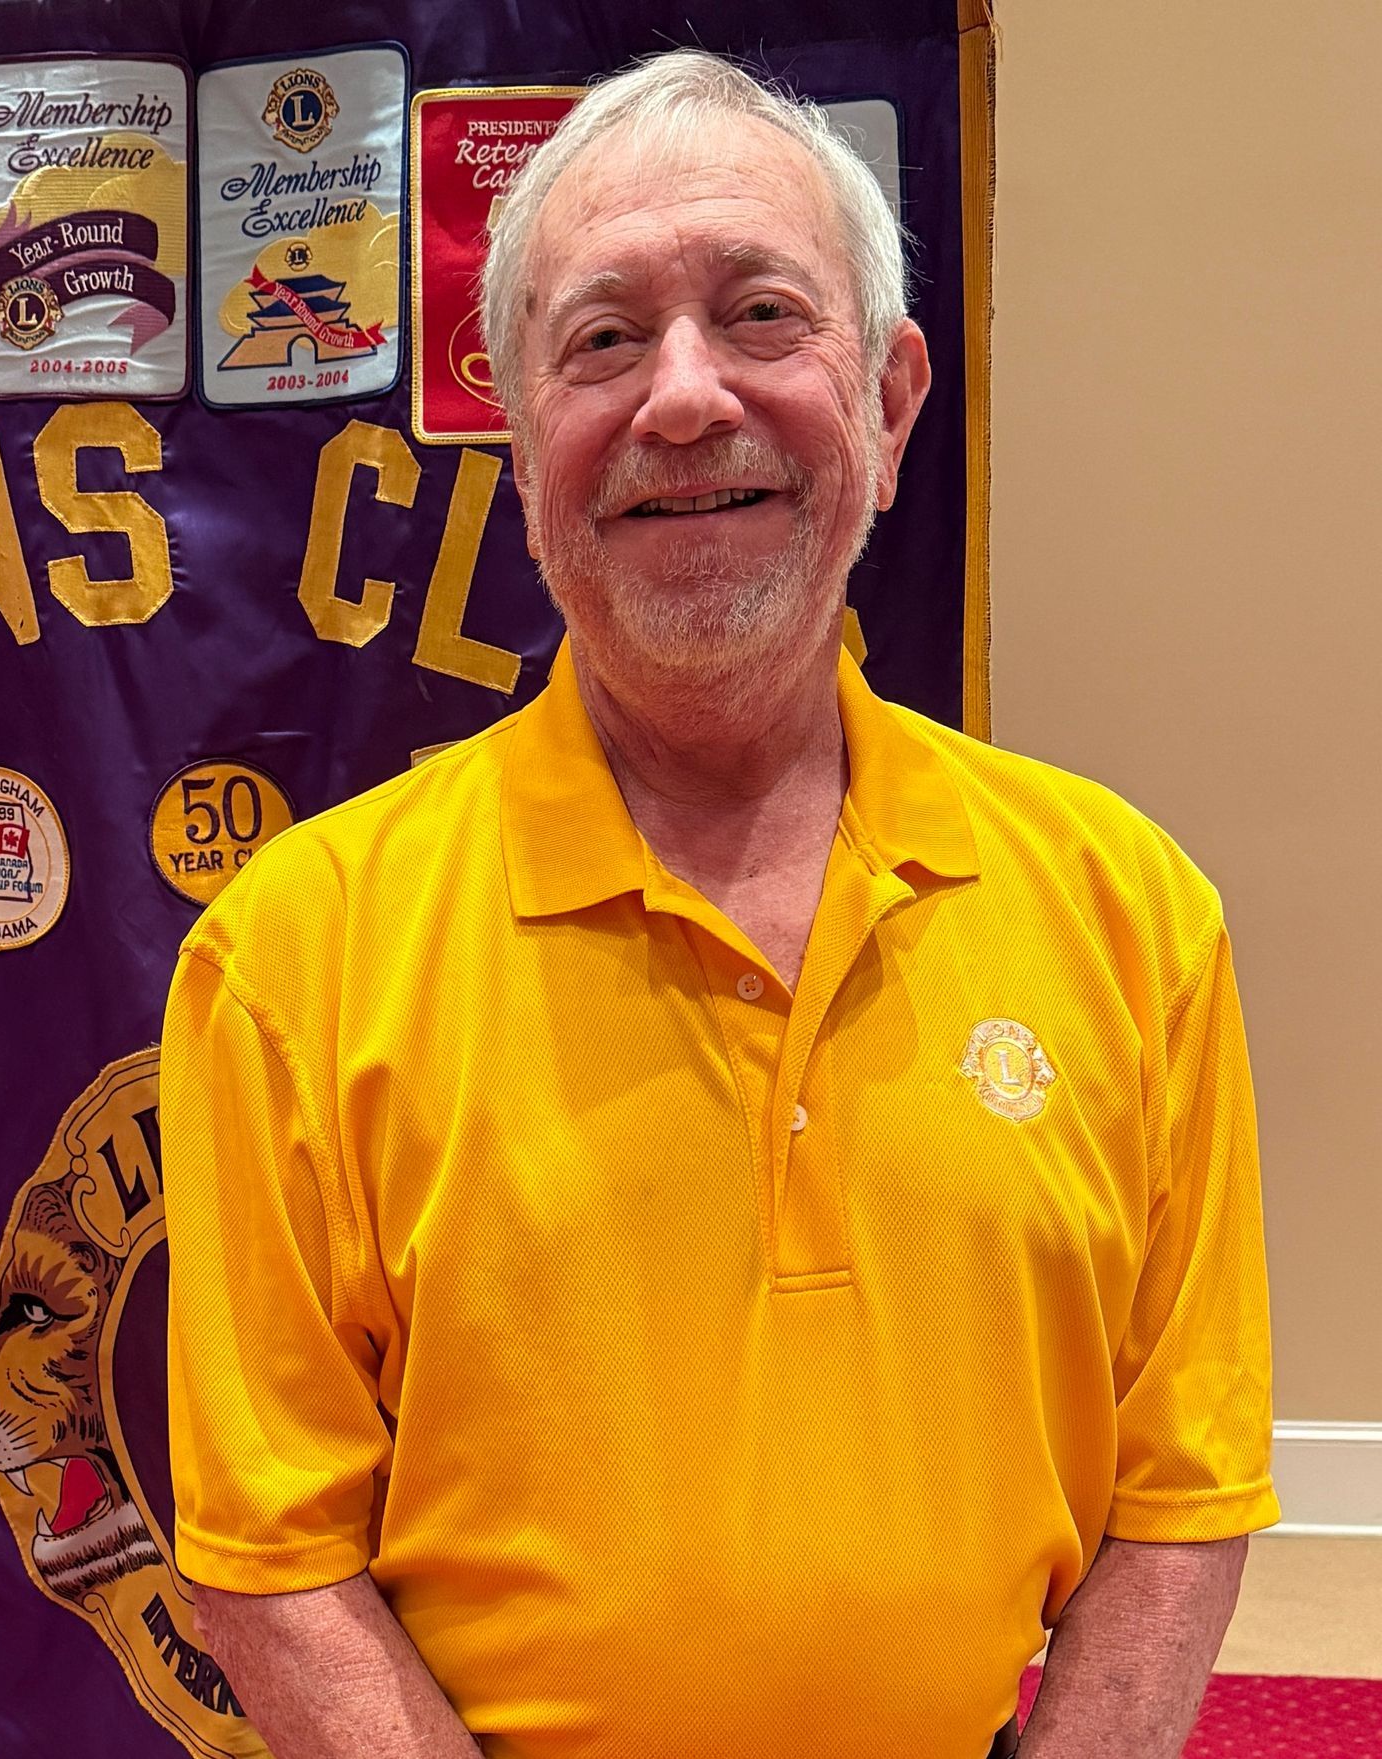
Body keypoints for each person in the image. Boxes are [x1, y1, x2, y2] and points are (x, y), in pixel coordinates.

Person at [160, 48, 1278, 1759]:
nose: (683, 398)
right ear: (521, 442)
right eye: (601, 340)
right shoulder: (292, 951)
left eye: (763, 314)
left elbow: (1184, 1486)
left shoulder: (1135, 913)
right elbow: (268, 1554)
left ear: (894, 403)